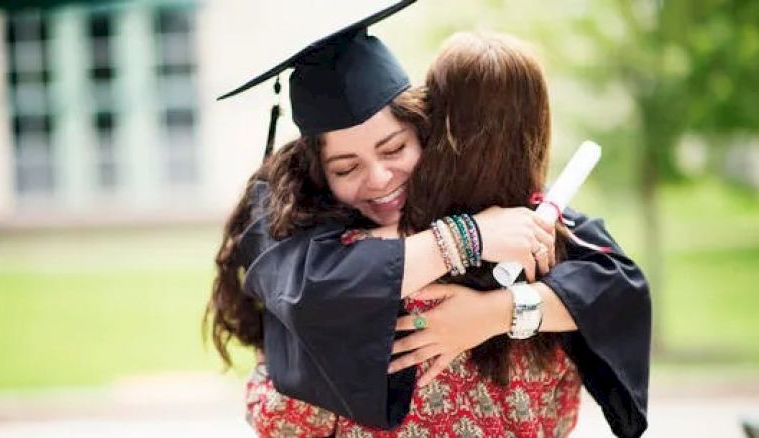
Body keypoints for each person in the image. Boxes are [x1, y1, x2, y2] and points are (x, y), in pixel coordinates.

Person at [207, 3, 650, 437]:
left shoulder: (504, 213)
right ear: (318, 173)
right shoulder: (290, 224)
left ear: (426, 132)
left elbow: (614, 283)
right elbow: (313, 289)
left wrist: (497, 312)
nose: (379, 179)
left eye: (394, 149)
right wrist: (468, 237)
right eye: (346, 168)